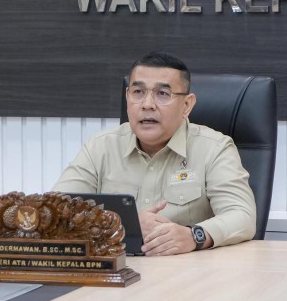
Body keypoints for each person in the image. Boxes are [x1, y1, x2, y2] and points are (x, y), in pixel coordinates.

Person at [53, 52, 256, 256]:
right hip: (118, 268)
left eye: (162, 94)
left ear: (186, 105)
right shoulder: (100, 147)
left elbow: (242, 216)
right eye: (138, 92)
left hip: (188, 269)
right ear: (127, 97)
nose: (147, 104)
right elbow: (54, 214)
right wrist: (119, 226)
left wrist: (193, 236)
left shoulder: (214, 148)